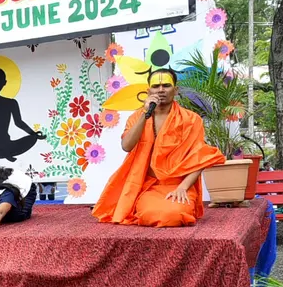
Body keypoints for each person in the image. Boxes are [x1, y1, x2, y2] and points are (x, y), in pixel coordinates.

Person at [92, 70, 225, 227]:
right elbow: (126, 146)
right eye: (156, 86)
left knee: (174, 215)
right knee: (153, 214)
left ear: (175, 90)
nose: (161, 90)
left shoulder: (190, 119)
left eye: (166, 85)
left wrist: (183, 188)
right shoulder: (136, 117)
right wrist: (145, 113)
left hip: (179, 185)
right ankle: (139, 205)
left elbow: (199, 157)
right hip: (148, 186)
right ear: (149, 91)